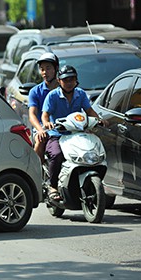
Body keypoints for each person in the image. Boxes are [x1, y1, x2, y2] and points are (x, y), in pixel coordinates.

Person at [41, 65, 106, 202]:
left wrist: (99, 120)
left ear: (76, 80)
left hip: (77, 134)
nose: (69, 82)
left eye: (72, 79)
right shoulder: (52, 96)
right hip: (57, 135)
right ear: (59, 81)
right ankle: (52, 186)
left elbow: (89, 111)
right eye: (66, 80)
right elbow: (45, 115)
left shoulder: (81, 94)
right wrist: (47, 123)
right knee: (57, 155)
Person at [28, 53, 59, 162]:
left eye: (48, 68)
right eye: (42, 69)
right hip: (43, 128)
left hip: (64, 127)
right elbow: (32, 114)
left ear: (56, 68)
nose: (45, 72)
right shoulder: (35, 91)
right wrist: (40, 130)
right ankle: (36, 170)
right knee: (40, 140)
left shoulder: (65, 88)